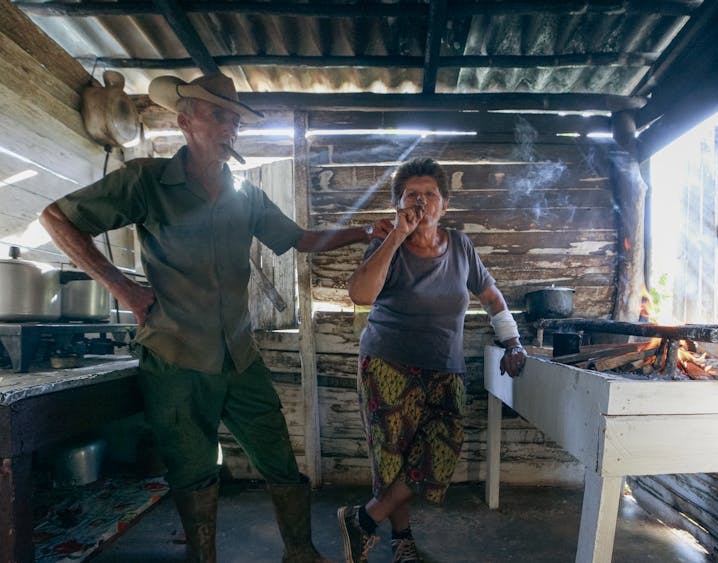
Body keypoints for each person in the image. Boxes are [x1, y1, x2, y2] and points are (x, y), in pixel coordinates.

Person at [40, 72, 387, 563]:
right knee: (193, 473)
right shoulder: (146, 180)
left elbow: (302, 239)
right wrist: (123, 288)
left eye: (236, 120)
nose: (231, 128)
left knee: (280, 462)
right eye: (219, 115)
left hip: (240, 358)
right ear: (185, 121)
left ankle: (300, 552)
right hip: (175, 359)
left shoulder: (244, 195)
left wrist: (362, 231)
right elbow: (57, 217)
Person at [338, 158, 527, 563]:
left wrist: (512, 341)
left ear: (444, 205)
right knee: (392, 458)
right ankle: (401, 540)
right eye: (411, 195)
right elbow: (360, 295)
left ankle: (364, 520)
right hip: (387, 366)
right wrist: (396, 236)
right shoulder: (388, 244)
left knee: (440, 455)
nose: (422, 202)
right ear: (398, 204)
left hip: (445, 369)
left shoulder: (460, 245)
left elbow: (491, 297)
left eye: (430, 195)